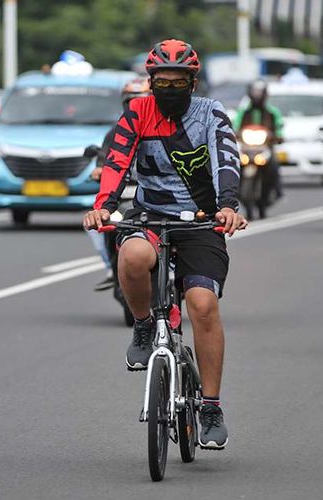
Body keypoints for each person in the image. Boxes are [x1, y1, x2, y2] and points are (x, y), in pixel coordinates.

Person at [83, 39, 246, 450]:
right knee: (132, 256)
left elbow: (225, 157)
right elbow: (117, 160)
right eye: (162, 82)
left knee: (203, 305)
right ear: (150, 82)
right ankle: (142, 326)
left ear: (193, 82)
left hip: (202, 221)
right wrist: (103, 206)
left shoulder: (210, 113)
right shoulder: (137, 112)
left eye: (179, 82)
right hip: (150, 215)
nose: (169, 89)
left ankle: (210, 406)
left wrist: (227, 205)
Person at [88, 77, 151, 292]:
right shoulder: (116, 132)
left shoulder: (165, 128)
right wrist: (99, 169)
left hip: (153, 196)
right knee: (97, 221)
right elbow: (105, 159)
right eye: (130, 101)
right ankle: (109, 267)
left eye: (140, 100)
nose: (136, 106)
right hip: (123, 195)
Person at [233, 79, 285, 199]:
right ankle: (233, 191)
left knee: (274, 165)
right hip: (246, 147)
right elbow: (236, 125)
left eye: (259, 92)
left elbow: (279, 127)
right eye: (255, 92)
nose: (257, 95)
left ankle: (277, 191)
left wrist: (278, 135)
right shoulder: (243, 112)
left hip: (265, 147)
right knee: (233, 164)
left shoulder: (272, 112)